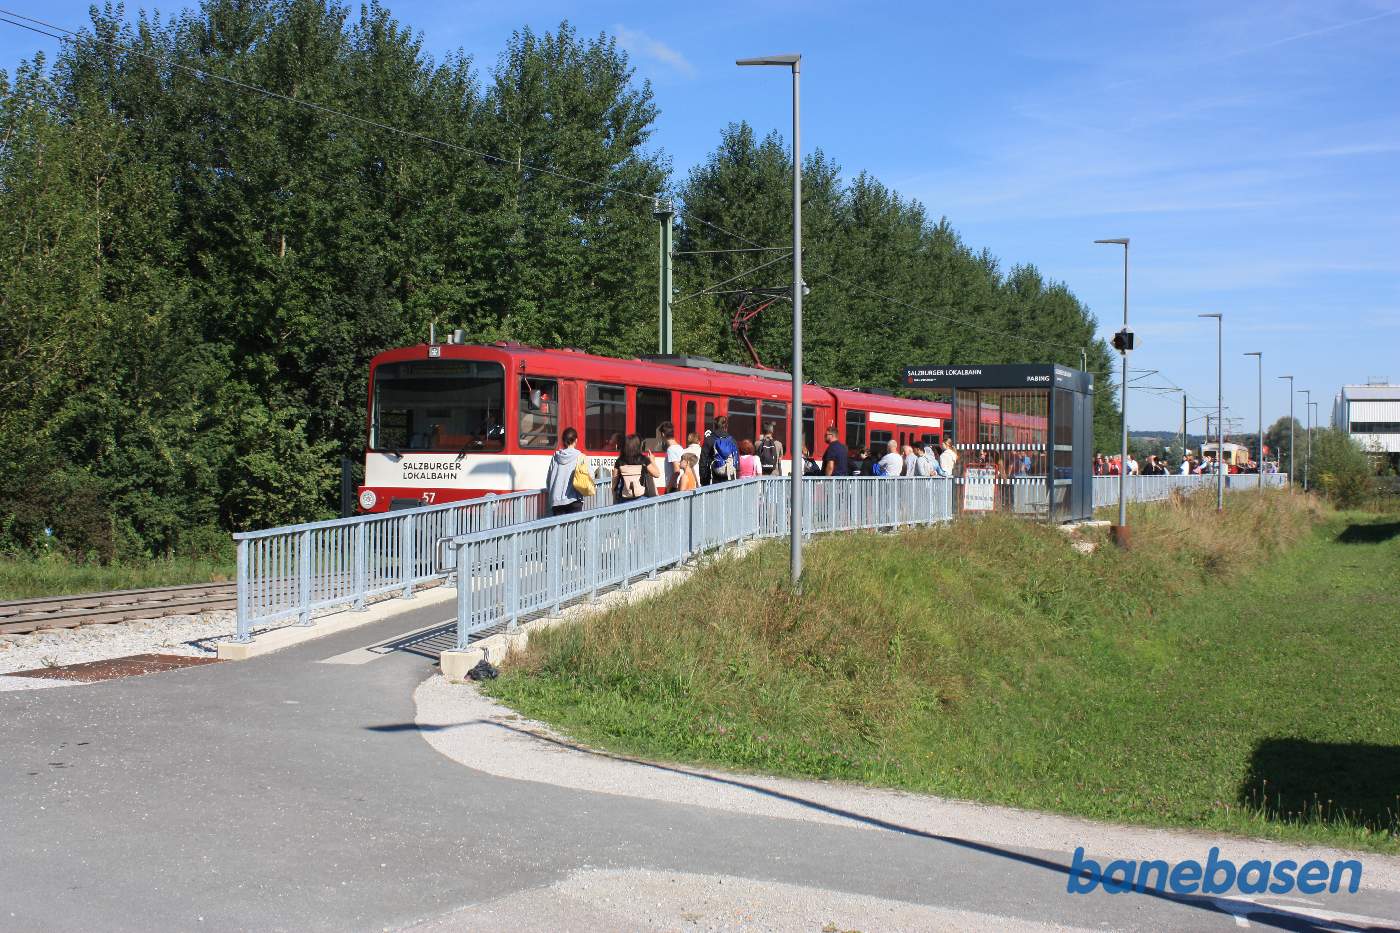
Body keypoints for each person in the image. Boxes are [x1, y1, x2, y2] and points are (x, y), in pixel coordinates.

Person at [545, 427, 586, 516]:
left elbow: (549, 479)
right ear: (576, 440)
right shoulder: (580, 456)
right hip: (574, 499)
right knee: (574, 530)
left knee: (559, 529)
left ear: (563, 440)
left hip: (556, 501)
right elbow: (590, 477)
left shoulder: (555, 456)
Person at [613, 433, 661, 500]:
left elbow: (614, 482)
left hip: (624, 499)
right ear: (638, 446)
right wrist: (652, 460)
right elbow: (657, 474)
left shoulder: (620, 461)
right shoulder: (643, 460)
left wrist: (615, 497)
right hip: (641, 498)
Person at [700, 416, 739, 485]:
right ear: (726, 426)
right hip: (729, 479)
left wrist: (703, 480)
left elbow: (703, 461)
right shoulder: (732, 440)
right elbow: (736, 460)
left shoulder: (709, 439)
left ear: (714, 426)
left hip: (713, 479)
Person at [659, 422, 684, 490]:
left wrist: (668, 488)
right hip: (679, 485)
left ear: (663, 434)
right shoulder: (680, 447)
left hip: (673, 487)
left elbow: (676, 471)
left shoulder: (671, 449)